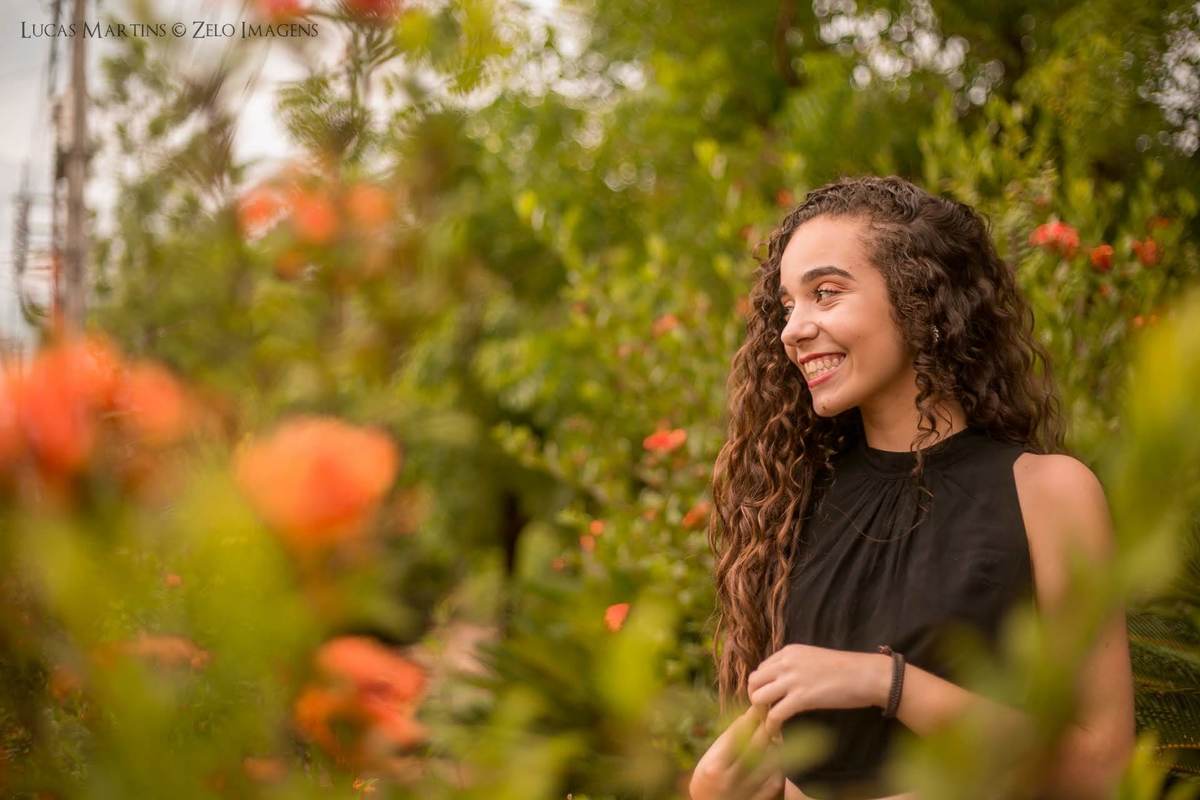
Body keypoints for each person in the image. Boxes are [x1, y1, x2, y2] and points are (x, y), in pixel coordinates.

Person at [688, 176, 1136, 800]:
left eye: (826, 293)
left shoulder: (1049, 493)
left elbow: (1099, 767)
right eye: (788, 305)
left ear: (921, 298)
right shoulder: (791, 505)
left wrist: (888, 683)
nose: (793, 329)